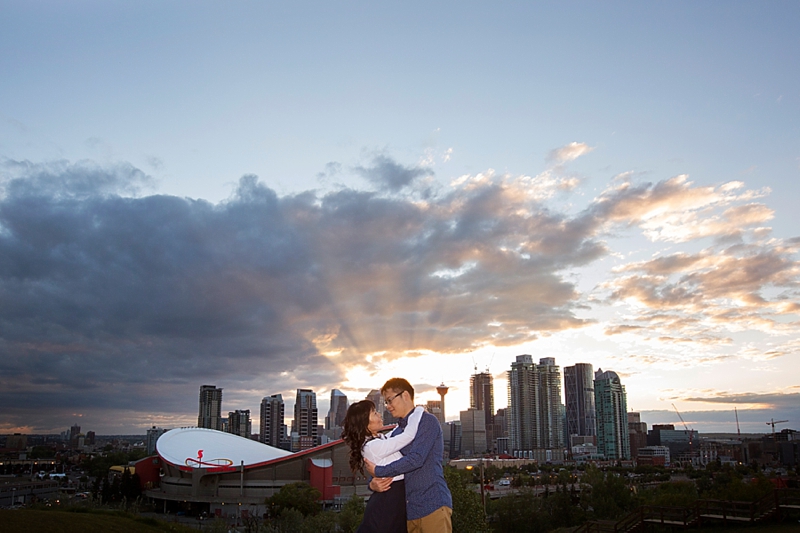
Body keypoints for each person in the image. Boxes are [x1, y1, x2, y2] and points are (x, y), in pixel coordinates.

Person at [364, 378, 453, 533]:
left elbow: (416, 459)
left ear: (405, 395)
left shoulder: (427, 421)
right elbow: (385, 462)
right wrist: (372, 483)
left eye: (390, 400)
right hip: (409, 511)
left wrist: (378, 471)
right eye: (386, 402)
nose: (388, 406)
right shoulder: (397, 432)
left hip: (432, 504)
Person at [342, 399, 424, 533]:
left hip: (393, 498)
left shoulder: (379, 439)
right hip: (388, 501)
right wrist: (419, 410)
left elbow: (396, 431)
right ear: (365, 423)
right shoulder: (373, 446)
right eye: (374, 413)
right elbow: (408, 435)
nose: (379, 415)